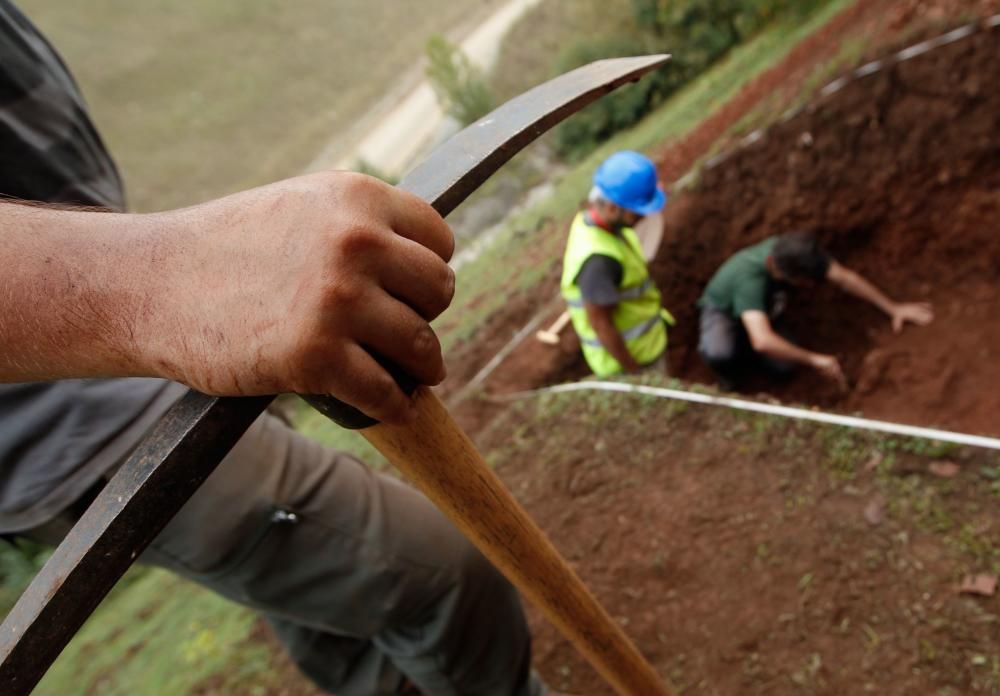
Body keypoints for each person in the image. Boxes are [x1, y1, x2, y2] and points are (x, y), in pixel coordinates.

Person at [0, 2, 547, 694]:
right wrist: (160, 280)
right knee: (444, 582)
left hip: (135, 371)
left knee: (355, 635)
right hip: (84, 421)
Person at [697, 230, 934, 390]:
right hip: (723, 312)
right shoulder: (749, 279)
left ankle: (757, 336)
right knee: (721, 352)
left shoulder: (798, 252)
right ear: (774, 266)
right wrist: (814, 359)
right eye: (800, 281)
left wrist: (892, 307)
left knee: (784, 368)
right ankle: (730, 382)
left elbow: (845, 278)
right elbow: (761, 341)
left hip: (763, 311)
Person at [560, 151, 675, 377]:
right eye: (638, 212)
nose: (643, 217)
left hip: (647, 345)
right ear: (613, 207)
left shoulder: (607, 226)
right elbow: (601, 325)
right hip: (633, 363)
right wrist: (636, 375)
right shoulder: (598, 262)